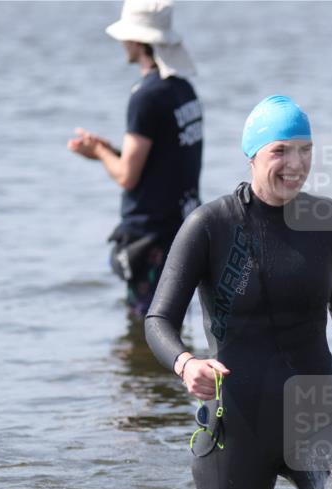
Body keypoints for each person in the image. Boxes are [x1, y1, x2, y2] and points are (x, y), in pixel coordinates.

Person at [145, 95, 332, 489]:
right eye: (280, 150)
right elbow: (158, 320)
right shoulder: (210, 225)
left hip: (319, 416)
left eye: (305, 150)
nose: (295, 163)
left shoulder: (327, 221)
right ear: (252, 155)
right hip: (239, 421)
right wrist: (186, 364)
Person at [68, 0, 202, 315]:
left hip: (151, 235)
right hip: (182, 226)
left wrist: (99, 152)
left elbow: (128, 176)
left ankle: (142, 350)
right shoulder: (183, 90)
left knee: (149, 323)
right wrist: (110, 151)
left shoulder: (146, 97)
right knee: (174, 319)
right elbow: (164, 157)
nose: (121, 43)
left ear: (138, 41)